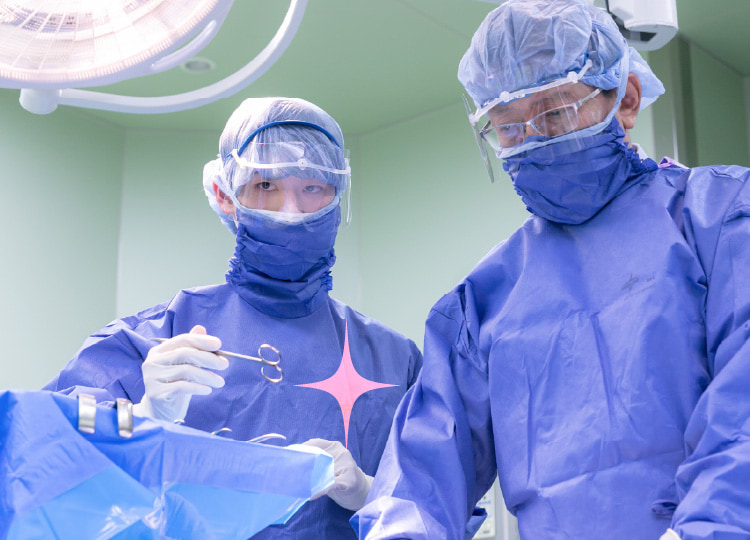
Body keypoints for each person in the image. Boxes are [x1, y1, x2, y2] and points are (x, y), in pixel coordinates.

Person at [352, 1, 750, 538]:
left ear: (626, 99)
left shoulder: (720, 218)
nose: (535, 142)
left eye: (555, 113)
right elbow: (419, 480)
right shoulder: (483, 302)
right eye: (509, 130)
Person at [44, 97, 423, 539]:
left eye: (312, 187)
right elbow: (48, 453)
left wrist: (370, 492)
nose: (290, 211)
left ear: (338, 196)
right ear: (226, 196)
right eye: (265, 185)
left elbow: (446, 500)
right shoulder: (153, 338)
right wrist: (144, 417)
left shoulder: (394, 361)